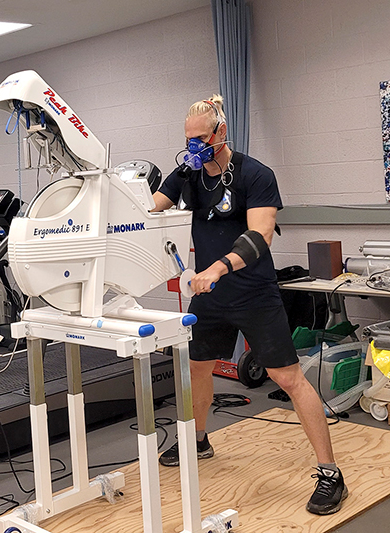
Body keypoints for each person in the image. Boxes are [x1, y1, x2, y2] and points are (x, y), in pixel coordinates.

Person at [151, 96, 347, 515]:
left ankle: (331, 473)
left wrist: (219, 268)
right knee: (198, 368)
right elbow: (151, 209)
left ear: (221, 132)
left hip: (253, 293)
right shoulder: (187, 174)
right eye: (188, 139)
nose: (194, 146)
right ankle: (199, 440)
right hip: (209, 295)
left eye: (201, 138)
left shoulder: (255, 174)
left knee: (289, 377)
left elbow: (261, 235)